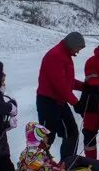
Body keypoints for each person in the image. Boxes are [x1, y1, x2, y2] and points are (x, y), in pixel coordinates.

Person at [36, 32, 85, 162]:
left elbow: (67, 80)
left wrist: (85, 86)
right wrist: (76, 103)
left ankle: (67, 164)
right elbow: (59, 84)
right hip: (48, 101)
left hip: (59, 101)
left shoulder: (65, 55)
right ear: (72, 44)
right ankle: (33, 165)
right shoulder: (55, 55)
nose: (78, 51)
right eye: (78, 48)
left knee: (71, 132)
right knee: (47, 135)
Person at [18, 122, 99, 171]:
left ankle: (98, 169)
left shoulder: (38, 149)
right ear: (38, 137)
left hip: (55, 169)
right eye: (44, 136)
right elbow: (38, 168)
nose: (47, 138)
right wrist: (58, 169)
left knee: (72, 159)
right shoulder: (34, 152)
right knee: (74, 159)